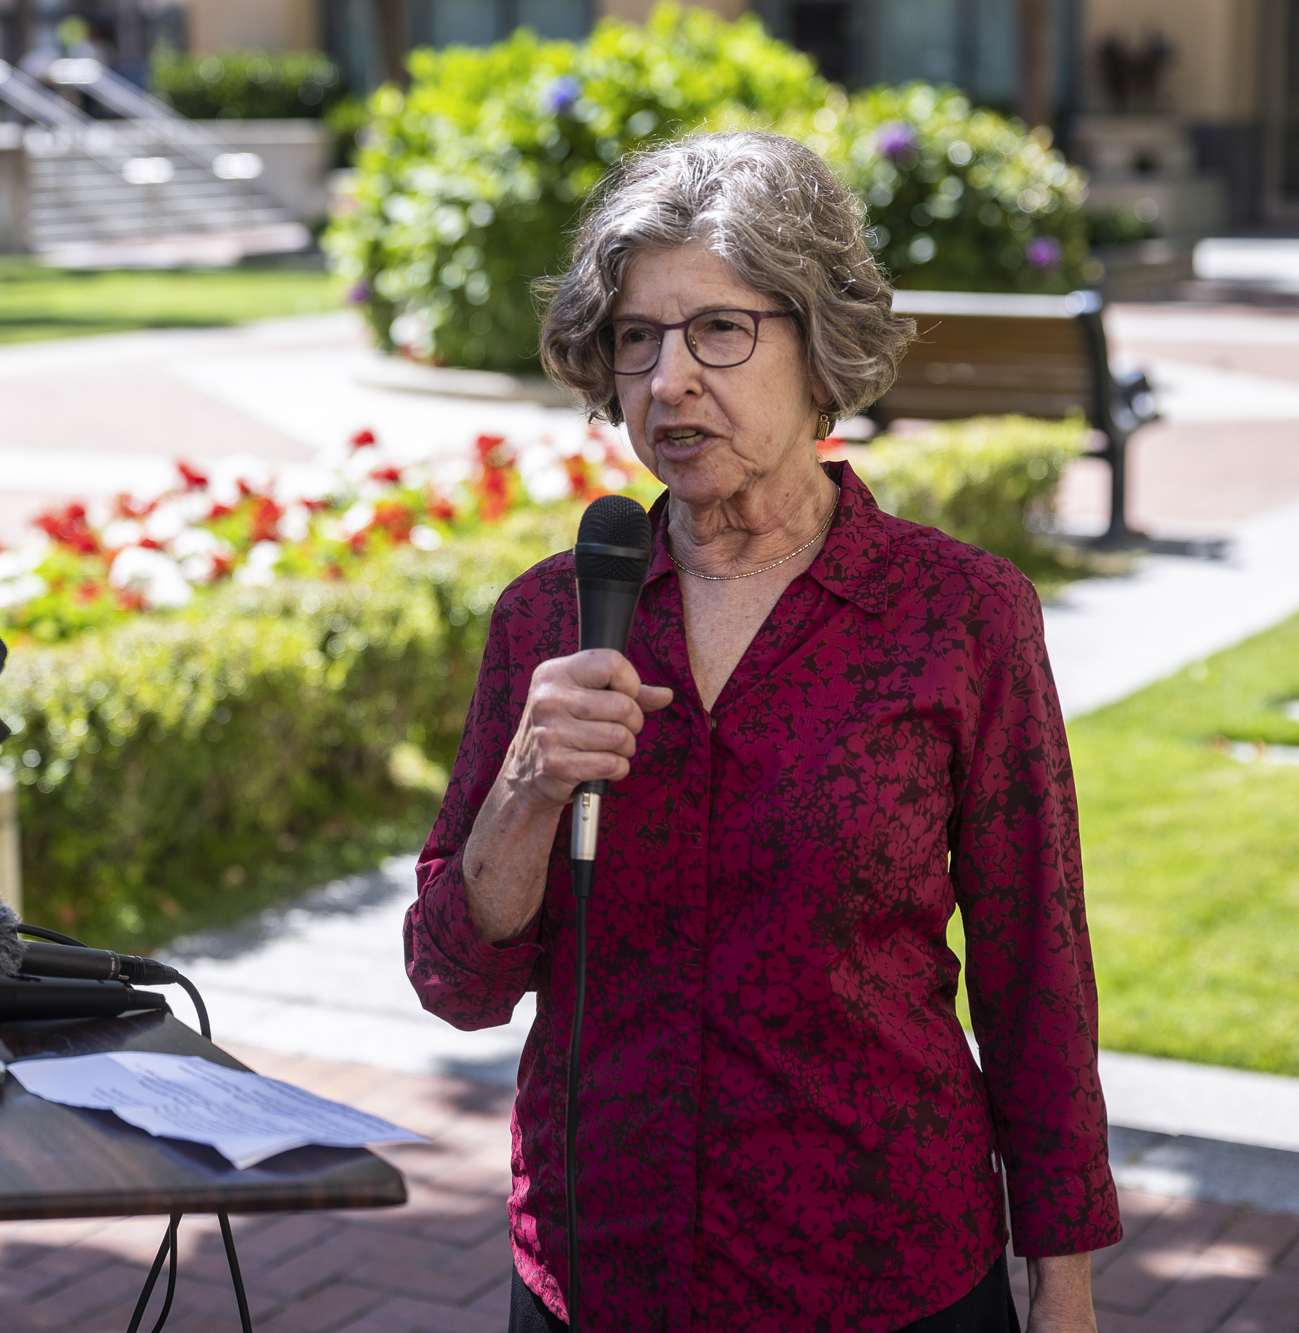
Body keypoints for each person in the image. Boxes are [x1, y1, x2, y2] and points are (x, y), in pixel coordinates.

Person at [402, 131, 1119, 1333]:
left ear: (818, 344)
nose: (667, 380)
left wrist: (1064, 1280)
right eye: (637, 338)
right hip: (601, 1266)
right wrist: (524, 785)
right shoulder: (553, 615)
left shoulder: (958, 614)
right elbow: (457, 984)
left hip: (881, 1269)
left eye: (718, 330)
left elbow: (1032, 964)